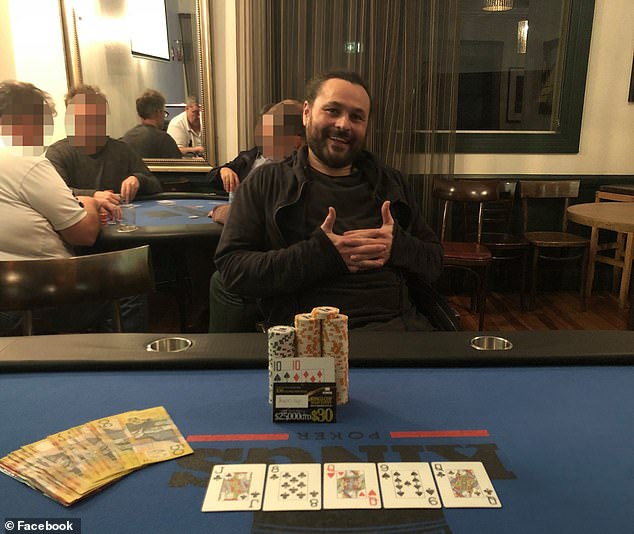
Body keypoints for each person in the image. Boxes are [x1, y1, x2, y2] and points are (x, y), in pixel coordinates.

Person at [213, 71, 443, 331]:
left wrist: (398, 246)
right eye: (332, 110)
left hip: (398, 332)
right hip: (309, 340)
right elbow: (233, 270)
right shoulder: (266, 182)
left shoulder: (392, 184)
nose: (344, 124)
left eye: (356, 117)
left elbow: (434, 263)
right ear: (307, 113)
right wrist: (319, 255)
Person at [0, 80, 145, 335]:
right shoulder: (29, 161)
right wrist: (89, 201)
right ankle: (115, 366)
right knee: (128, 285)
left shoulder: (122, 148)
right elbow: (84, 233)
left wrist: (137, 179)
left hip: (12, 291)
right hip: (36, 295)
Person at [46, 84, 161, 204]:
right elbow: (55, 194)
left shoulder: (122, 149)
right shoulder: (57, 153)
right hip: (82, 220)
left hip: (122, 218)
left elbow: (155, 185)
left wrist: (138, 179)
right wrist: (93, 196)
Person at [207, 99, 304, 224]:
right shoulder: (249, 157)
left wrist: (219, 212)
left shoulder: (292, 169)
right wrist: (223, 170)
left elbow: (255, 215)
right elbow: (211, 177)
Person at [121, 89, 182, 158]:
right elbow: (178, 167)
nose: (163, 117)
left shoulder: (127, 136)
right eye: (163, 112)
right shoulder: (164, 140)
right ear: (158, 112)